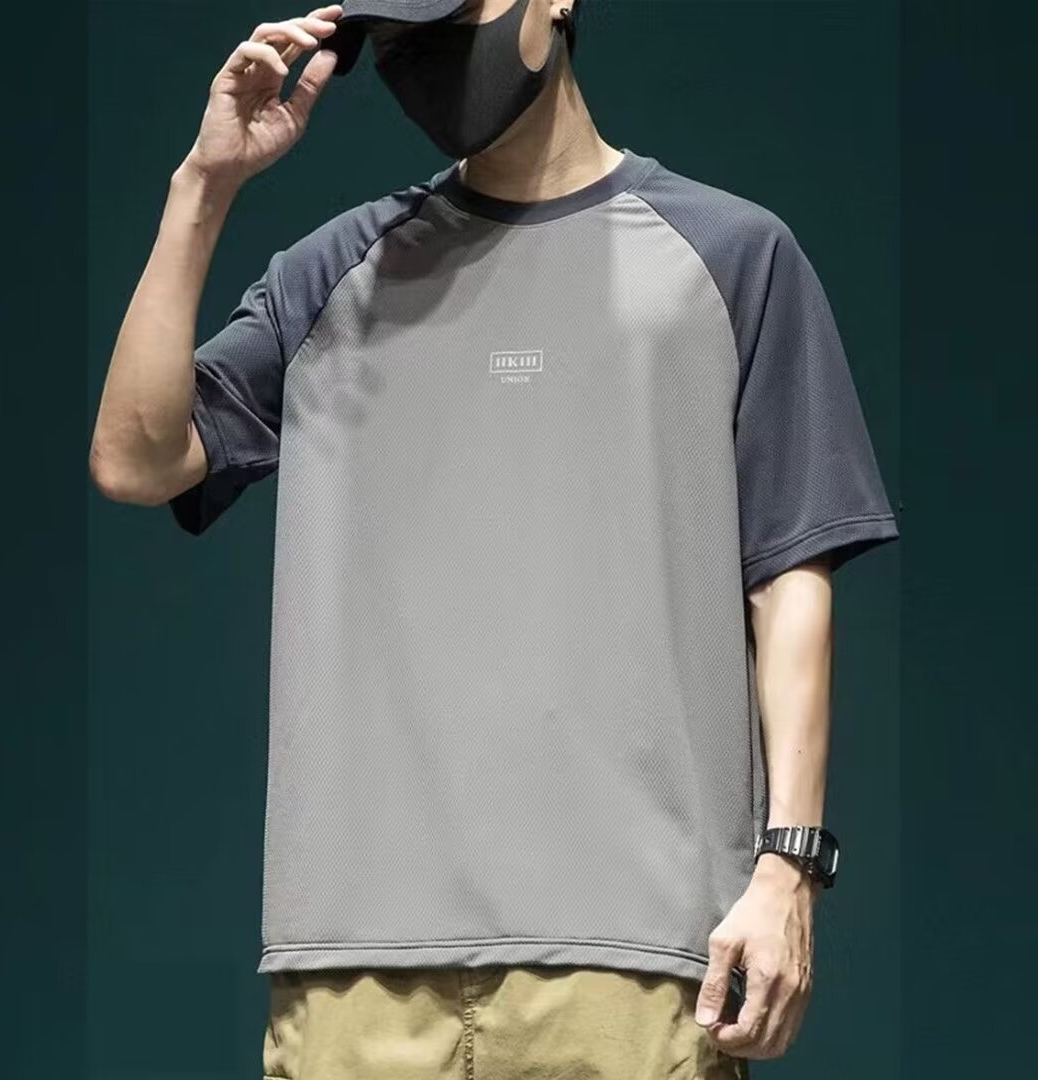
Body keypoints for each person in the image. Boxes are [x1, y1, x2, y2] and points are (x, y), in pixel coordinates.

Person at [88, 1, 900, 1076]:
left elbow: (790, 577)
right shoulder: (339, 274)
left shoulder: (732, 257)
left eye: (450, 17)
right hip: (354, 970)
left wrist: (789, 866)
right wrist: (205, 185)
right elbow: (138, 460)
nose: (422, 57)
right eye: (393, 36)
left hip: (637, 960)